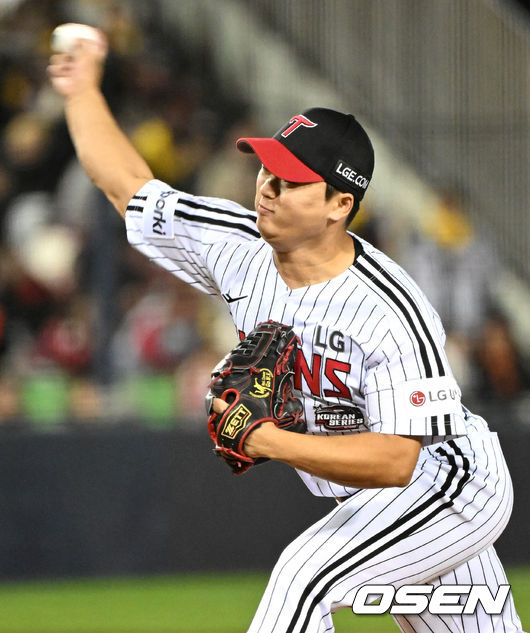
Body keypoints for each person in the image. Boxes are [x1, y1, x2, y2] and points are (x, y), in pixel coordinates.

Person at [47, 31, 525, 633]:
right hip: (373, 499)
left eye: (292, 180)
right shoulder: (235, 244)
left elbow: (398, 459)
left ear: (339, 205)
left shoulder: (388, 308)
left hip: (448, 484)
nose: (268, 188)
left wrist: (267, 440)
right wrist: (82, 89)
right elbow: (125, 184)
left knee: (304, 579)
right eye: (268, 168)